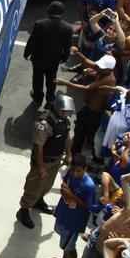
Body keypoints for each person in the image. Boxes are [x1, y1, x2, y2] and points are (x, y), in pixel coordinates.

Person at [16, 95, 76, 230]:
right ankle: (24, 210)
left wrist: (68, 154)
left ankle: (38, 201)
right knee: (34, 186)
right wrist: (41, 167)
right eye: (65, 111)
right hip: (43, 161)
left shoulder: (64, 121)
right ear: (58, 109)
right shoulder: (44, 124)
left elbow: (67, 137)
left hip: (56, 159)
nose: (67, 114)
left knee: (47, 184)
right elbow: (39, 147)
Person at [24, 1, 75, 106]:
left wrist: (27, 53)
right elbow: (67, 46)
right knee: (51, 79)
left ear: (49, 11)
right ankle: (50, 98)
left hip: (38, 58)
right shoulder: (68, 28)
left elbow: (32, 41)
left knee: (37, 79)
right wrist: (64, 58)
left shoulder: (40, 24)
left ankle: (38, 98)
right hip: (54, 60)